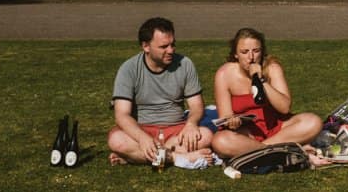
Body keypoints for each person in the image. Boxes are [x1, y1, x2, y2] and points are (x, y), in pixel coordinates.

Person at [108, 17, 215, 166]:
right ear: (146, 46)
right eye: (164, 46)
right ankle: (178, 158)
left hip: (176, 131)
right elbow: (121, 115)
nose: (171, 50)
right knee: (116, 141)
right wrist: (142, 138)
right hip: (142, 129)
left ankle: (134, 158)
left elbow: (197, 106)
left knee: (207, 136)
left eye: (173, 44)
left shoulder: (185, 64)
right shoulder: (128, 69)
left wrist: (191, 124)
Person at [211, 28, 326, 158]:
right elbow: (225, 116)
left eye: (256, 51)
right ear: (236, 54)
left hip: (276, 129)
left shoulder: (272, 68)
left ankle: (261, 151)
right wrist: (232, 121)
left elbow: (284, 108)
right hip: (247, 132)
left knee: (313, 121)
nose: (251, 57)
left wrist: (261, 80)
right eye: (244, 52)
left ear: (262, 52)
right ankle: (278, 151)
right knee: (220, 141)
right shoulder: (224, 74)